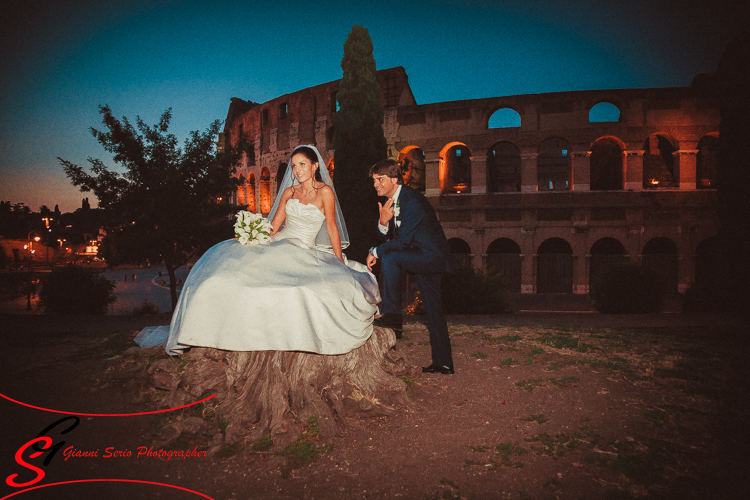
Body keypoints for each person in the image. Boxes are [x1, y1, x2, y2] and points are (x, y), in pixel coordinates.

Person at [136, 145, 380, 355]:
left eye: (303, 164)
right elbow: (274, 228)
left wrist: (339, 259)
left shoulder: (325, 192)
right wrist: (250, 234)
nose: (297, 170)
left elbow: (331, 227)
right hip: (281, 241)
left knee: (299, 288)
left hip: (306, 247)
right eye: (294, 166)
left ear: (315, 166)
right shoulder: (288, 192)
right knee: (231, 273)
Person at [366, 159, 455, 375]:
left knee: (390, 258)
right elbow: (389, 236)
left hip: (431, 256)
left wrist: (374, 251)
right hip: (419, 254)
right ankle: (443, 364)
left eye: (381, 179)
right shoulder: (392, 201)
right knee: (433, 310)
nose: (376, 184)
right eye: (374, 180)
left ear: (394, 179)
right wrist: (383, 222)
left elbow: (402, 241)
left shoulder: (412, 200)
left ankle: (393, 316)